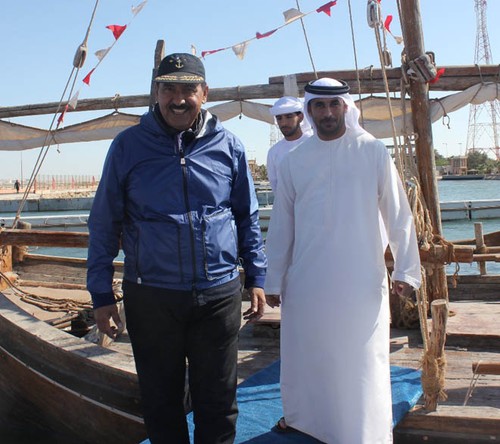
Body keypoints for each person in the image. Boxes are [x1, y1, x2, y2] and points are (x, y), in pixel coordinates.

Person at [87, 53, 267, 444]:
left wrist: (256, 276)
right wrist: (101, 294)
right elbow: (104, 223)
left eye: (189, 88)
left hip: (217, 295)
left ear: (205, 93)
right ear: (156, 92)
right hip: (152, 296)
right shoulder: (127, 146)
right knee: (161, 402)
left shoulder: (228, 146)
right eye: (169, 88)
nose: (178, 98)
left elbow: (245, 217)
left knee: (218, 402)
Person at [264, 77, 421, 443]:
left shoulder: (372, 151)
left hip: (360, 279)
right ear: (309, 111)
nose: (327, 112)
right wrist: (274, 279)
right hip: (307, 281)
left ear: (346, 108)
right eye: (319, 105)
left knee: (362, 360)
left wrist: (405, 270)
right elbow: (282, 226)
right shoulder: (294, 161)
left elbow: (398, 216)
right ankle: (308, 420)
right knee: (309, 353)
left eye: (334, 104)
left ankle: (363, 431)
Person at [266, 96, 312, 192]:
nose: (284, 123)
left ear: (300, 117)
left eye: (289, 117)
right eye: (279, 118)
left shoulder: (314, 142)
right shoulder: (274, 152)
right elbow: (276, 187)